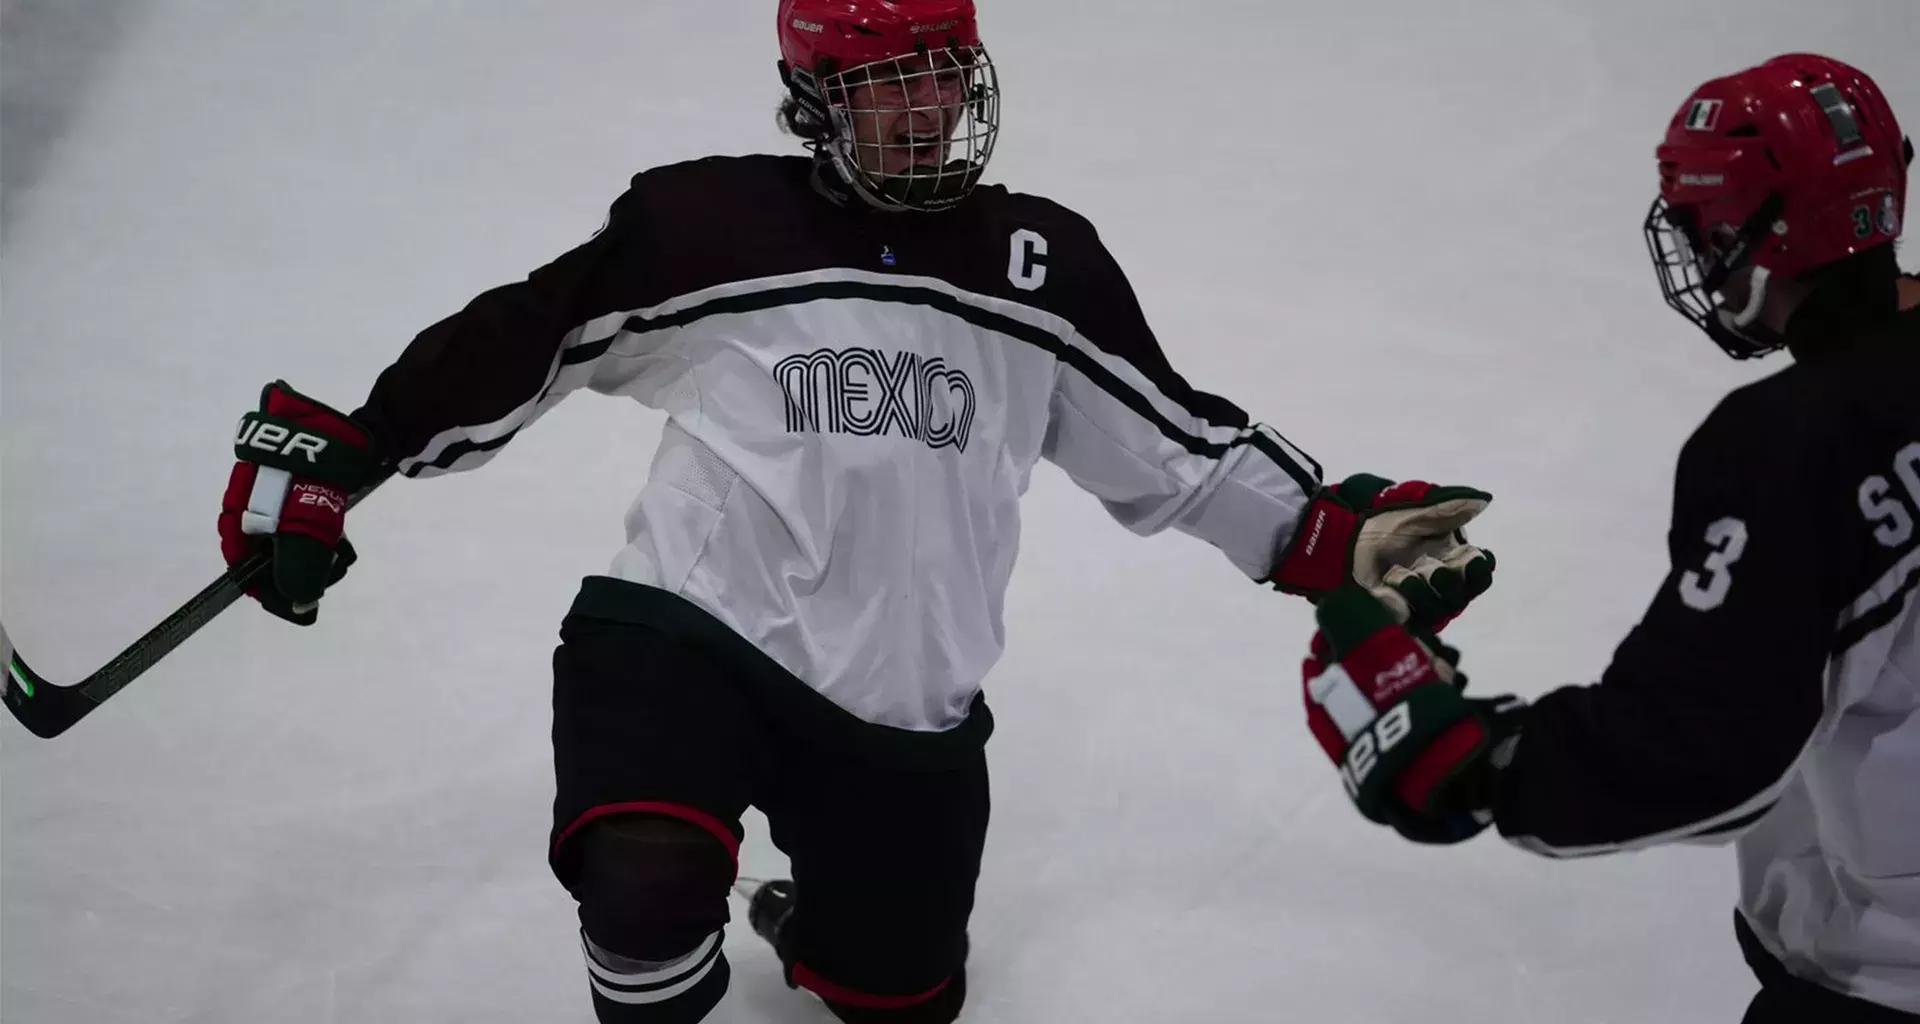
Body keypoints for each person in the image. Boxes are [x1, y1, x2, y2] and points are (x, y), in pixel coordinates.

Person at [213, 1, 1496, 1021]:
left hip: (903, 703)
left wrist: (1321, 534)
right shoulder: (708, 224)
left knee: (903, 995)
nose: (933, 106)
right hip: (692, 636)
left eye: (950, 73)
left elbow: (1173, 441)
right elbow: (527, 337)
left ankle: (811, 925)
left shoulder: (1035, 263)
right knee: (645, 880)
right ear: (818, 100)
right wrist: (359, 447)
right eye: (896, 85)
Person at [1295, 54, 1918, 1023]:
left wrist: (1475, 759)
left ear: (1771, 232)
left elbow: (1706, 747)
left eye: (1709, 223)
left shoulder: (1790, 451)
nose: (1701, 250)